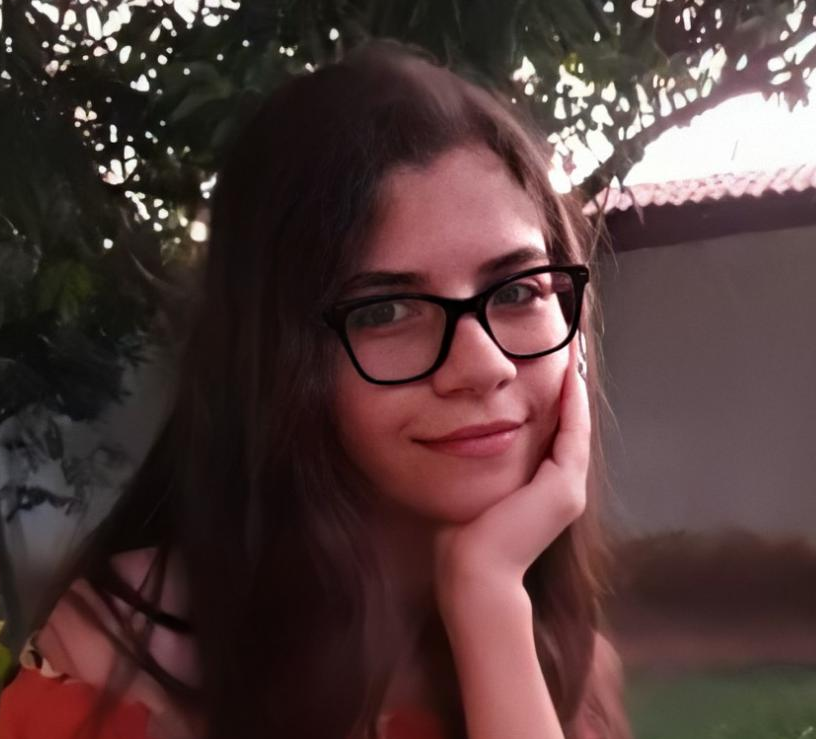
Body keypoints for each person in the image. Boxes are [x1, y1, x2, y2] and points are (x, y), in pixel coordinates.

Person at [0, 40, 632, 739]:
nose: (482, 366)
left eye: (516, 291)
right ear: (278, 360)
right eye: (386, 310)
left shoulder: (570, 663)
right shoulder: (113, 657)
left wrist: (487, 600)